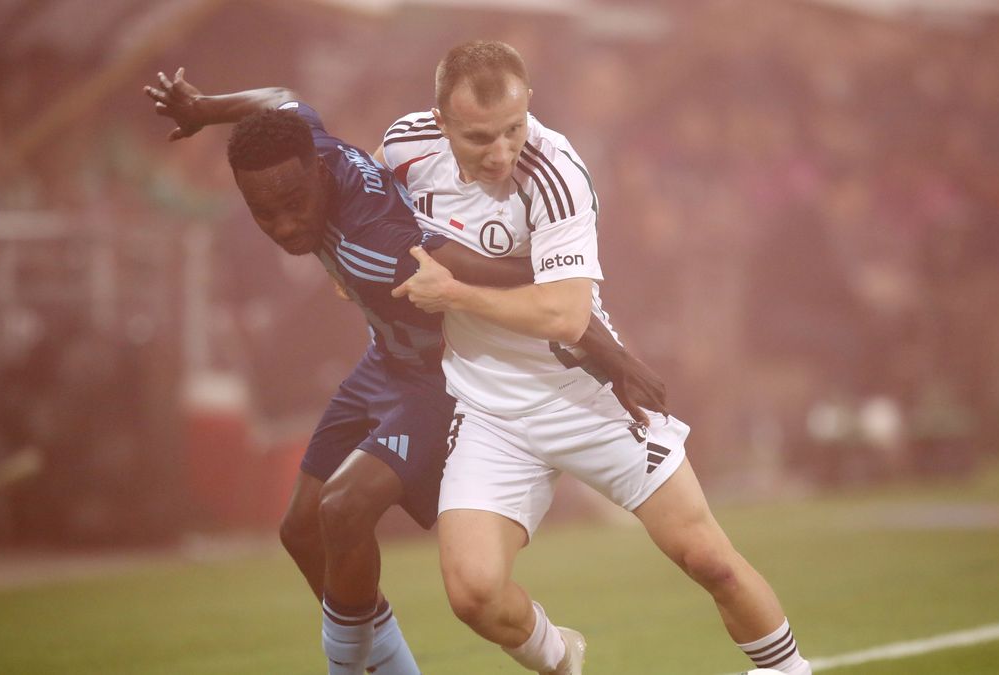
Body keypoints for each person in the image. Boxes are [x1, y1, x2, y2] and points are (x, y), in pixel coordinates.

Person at [144, 70, 666, 675]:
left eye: (293, 206)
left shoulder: (384, 245)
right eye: (266, 214)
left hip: (442, 380)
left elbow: (522, 274)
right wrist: (207, 106)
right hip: (384, 364)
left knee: (342, 510)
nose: (285, 226)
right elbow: (280, 101)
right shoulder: (307, 141)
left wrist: (617, 358)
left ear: (316, 172)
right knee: (300, 532)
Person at [383, 41, 812, 675]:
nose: (501, 151)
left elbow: (565, 316)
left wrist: (452, 294)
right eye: (479, 138)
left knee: (707, 559)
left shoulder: (555, 171)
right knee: (472, 593)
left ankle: (787, 670)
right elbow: (358, 205)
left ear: (529, 104)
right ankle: (561, 660)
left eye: (513, 128)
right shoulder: (402, 147)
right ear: (441, 121)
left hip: (585, 394)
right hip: (488, 410)